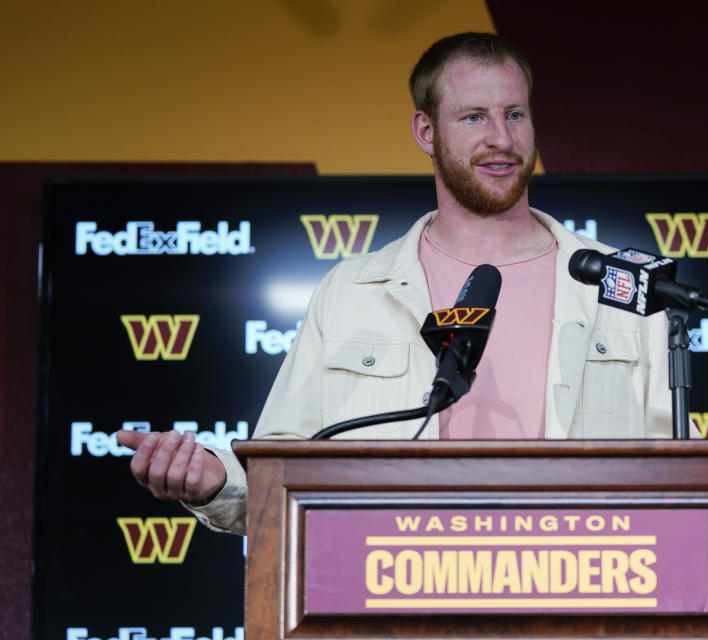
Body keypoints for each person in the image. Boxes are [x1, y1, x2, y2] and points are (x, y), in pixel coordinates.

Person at [117, 32, 675, 535]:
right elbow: (287, 465)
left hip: (585, 600)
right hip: (401, 599)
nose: (501, 139)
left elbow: (686, 480)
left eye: (515, 114)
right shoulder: (352, 290)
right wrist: (217, 481)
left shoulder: (625, 286)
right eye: (474, 117)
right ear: (426, 131)